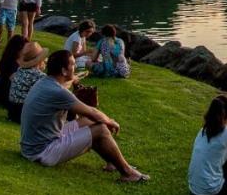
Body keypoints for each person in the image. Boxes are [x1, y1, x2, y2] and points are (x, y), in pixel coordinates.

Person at [18, 49, 148, 181]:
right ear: (63, 71)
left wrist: (73, 79)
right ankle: (127, 173)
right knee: (101, 128)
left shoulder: (45, 82)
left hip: (32, 146)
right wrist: (110, 121)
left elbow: (70, 91)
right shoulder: (58, 92)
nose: (75, 67)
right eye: (73, 64)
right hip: (43, 152)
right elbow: (92, 112)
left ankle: (112, 163)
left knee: (87, 122)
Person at [8, 41, 47, 122]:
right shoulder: (39, 75)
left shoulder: (19, 70)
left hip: (12, 111)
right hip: (26, 114)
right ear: (39, 61)